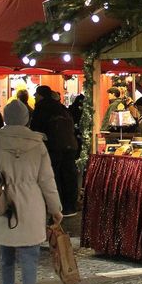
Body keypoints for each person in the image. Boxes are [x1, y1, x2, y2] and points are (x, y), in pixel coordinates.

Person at [0, 99, 63, 284]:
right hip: (31, 203)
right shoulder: (38, 144)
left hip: (4, 203)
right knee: (30, 258)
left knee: (6, 257)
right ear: (26, 119)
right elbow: (46, 180)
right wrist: (55, 208)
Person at [30, 85, 80, 213]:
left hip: (53, 147)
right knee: (69, 175)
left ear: (41, 95)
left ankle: (58, 206)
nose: (35, 97)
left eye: (36, 94)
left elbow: (36, 130)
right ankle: (70, 206)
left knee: (54, 175)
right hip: (70, 146)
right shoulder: (61, 107)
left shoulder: (41, 108)